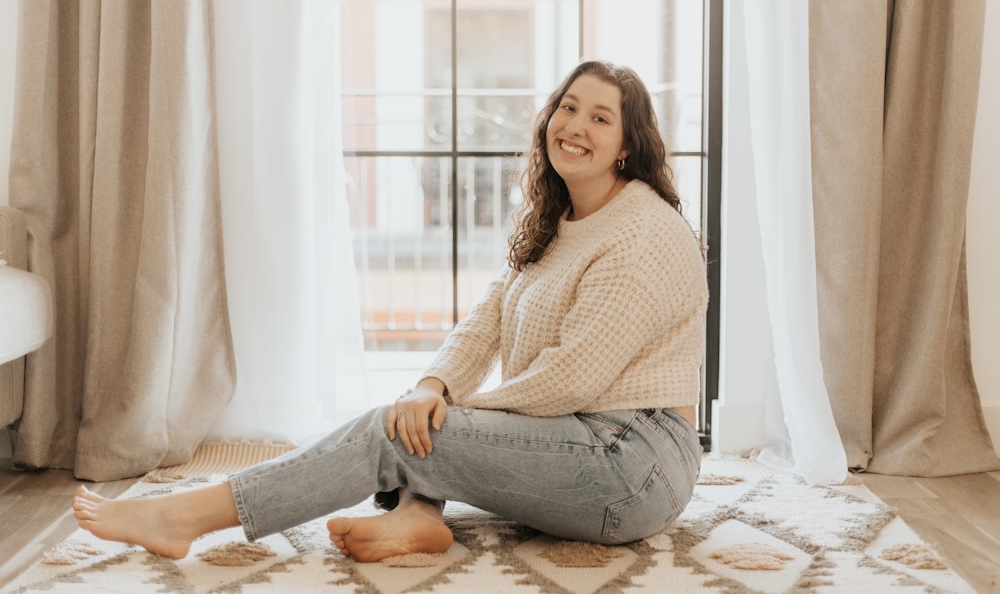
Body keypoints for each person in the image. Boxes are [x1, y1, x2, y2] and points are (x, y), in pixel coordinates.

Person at [72, 59, 709, 563]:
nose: (576, 126)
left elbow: (573, 376)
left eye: (601, 118)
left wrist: (440, 412)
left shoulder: (642, 232)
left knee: (398, 431)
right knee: (415, 418)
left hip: (635, 465)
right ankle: (417, 519)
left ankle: (180, 519)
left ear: (627, 146)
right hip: (588, 439)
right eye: (568, 107)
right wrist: (431, 386)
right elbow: (486, 320)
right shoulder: (560, 217)